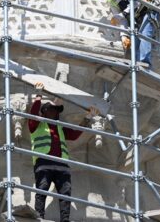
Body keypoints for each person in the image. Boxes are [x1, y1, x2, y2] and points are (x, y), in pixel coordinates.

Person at [29, 82, 99, 222]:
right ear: (44, 111)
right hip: (44, 162)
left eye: (56, 110)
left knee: (65, 193)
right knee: (42, 190)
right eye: (52, 109)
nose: (55, 112)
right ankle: (39, 217)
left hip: (62, 164)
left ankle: (65, 219)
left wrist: (88, 118)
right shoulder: (36, 125)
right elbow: (33, 115)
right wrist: (38, 96)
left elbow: (74, 135)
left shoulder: (60, 128)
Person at [91, 0, 160, 66]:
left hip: (149, 11)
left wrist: (123, 14)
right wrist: (123, 36)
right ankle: (137, 68)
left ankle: (145, 65)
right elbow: (122, 21)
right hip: (138, 19)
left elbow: (136, 2)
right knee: (135, 45)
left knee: (144, 36)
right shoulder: (112, 0)